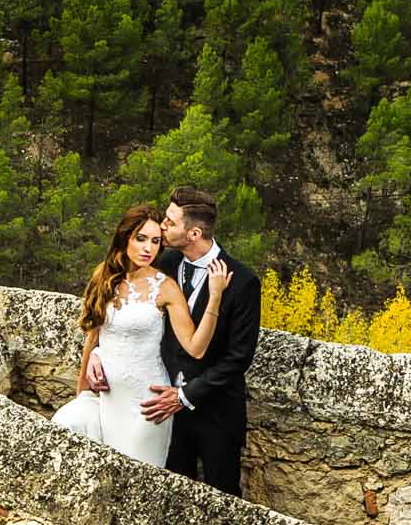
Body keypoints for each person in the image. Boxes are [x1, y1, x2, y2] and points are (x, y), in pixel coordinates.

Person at [85, 186, 261, 496]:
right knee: (163, 493)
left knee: (222, 496)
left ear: (193, 233)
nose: (162, 228)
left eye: (169, 222)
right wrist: (99, 351)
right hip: (156, 405)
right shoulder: (161, 264)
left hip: (214, 411)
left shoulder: (242, 281)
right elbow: (120, 312)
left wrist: (184, 396)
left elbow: (239, 358)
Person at [53, 203, 228, 467]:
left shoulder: (165, 287)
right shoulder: (104, 277)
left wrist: (215, 297)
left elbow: (196, 348)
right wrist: (84, 390)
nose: (148, 248)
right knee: (66, 425)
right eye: (141, 239)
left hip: (145, 405)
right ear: (125, 238)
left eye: (156, 241)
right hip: (105, 400)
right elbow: (93, 338)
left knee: (129, 477)